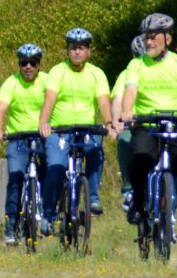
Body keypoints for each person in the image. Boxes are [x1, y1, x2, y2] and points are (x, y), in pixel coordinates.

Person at [121, 13, 177, 240]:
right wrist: (127, 111)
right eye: (146, 37)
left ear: (168, 39)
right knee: (139, 158)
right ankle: (139, 206)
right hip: (146, 122)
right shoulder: (136, 64)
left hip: (176, 122)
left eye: (153, 37)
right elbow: (130, 90)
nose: (148, 42)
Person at [37, 27, 115, 236]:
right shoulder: (57, 71)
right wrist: (44, 122)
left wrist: (108, 123)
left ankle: (93, 197)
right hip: (60, 130)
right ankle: (49, 214)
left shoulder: (97, 73)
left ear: (89, 51)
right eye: (73, 48)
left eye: (81, 48)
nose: (77, 52)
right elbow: (50, 99)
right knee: (55, 167)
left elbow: (103, 102)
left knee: (96, 150)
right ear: (68, 50)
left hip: (86, 129)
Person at [0, 43, 48, 246]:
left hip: (42, 137)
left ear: (39, 65)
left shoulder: (47, 81)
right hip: (17, 139)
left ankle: (50, 217)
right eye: (24, 62)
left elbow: (56, 102)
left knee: (52, 175)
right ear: (19, 64)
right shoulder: (11, 83)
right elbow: (0, 109)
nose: (28, 67)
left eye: (33, 63)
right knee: (15, 180)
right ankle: (10, 227)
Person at [110, 34, 146, 213]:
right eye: (137, 56)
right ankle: (128, 189)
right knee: (124, 139)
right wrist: (117, 121)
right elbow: (117, 99)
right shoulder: (126, 74)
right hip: (133, 124)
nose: (141, 61)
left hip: (155, 123)